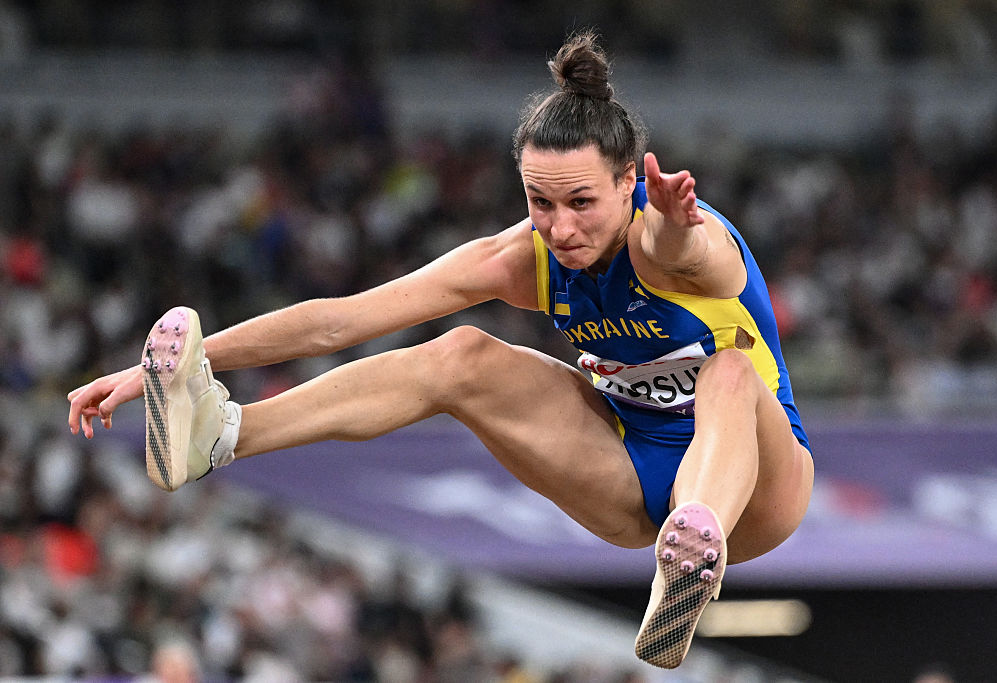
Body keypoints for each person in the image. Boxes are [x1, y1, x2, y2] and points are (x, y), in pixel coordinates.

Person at [67, 31, 813, 670]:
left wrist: (678, 226)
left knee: (728, 369)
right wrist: (157, 371)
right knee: (460, 355)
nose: (560, 228)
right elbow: (341, 322)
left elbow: (689, 253)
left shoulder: (674, 241)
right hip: (628, 471)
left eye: (582, 202)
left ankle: (690, 555)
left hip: (755, 488)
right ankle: (223, 433)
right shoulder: (525, 258)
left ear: (628, 182)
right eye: (540, 202)